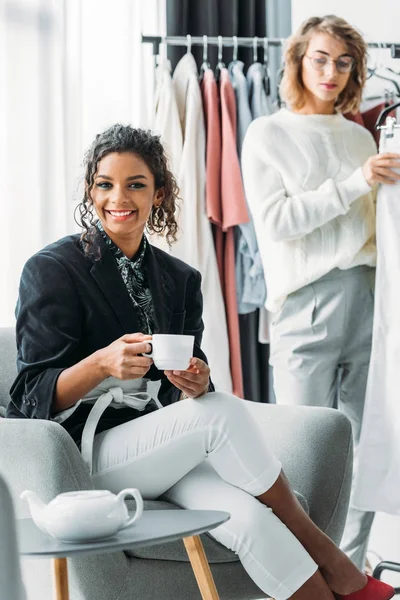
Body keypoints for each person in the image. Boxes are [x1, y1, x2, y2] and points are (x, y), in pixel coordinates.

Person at [7, 124, 394, 600]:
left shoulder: (178, 278)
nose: (118, 197)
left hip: (156, 450)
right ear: (91, 190)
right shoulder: (52, 269)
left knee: (249, 516)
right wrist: (102, 364)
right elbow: (29, 398)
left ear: (159, 192)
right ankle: (323, 547)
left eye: (136, 184)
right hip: (80, 459)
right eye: (104, 184)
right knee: (224, 413)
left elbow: (184, 393)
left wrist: (195, 382)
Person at [241, 14, 400, 573]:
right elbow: (279, 223)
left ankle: (349, 573)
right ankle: (301, 575)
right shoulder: (268, 133)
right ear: (299, 61)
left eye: (344, 61)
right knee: (303, 451)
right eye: (321, 58)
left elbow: (381, 230)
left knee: (368, 445)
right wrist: (358, 181)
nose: (331, 71)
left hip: (370, 299)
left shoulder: (362, 135)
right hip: (305, 303)